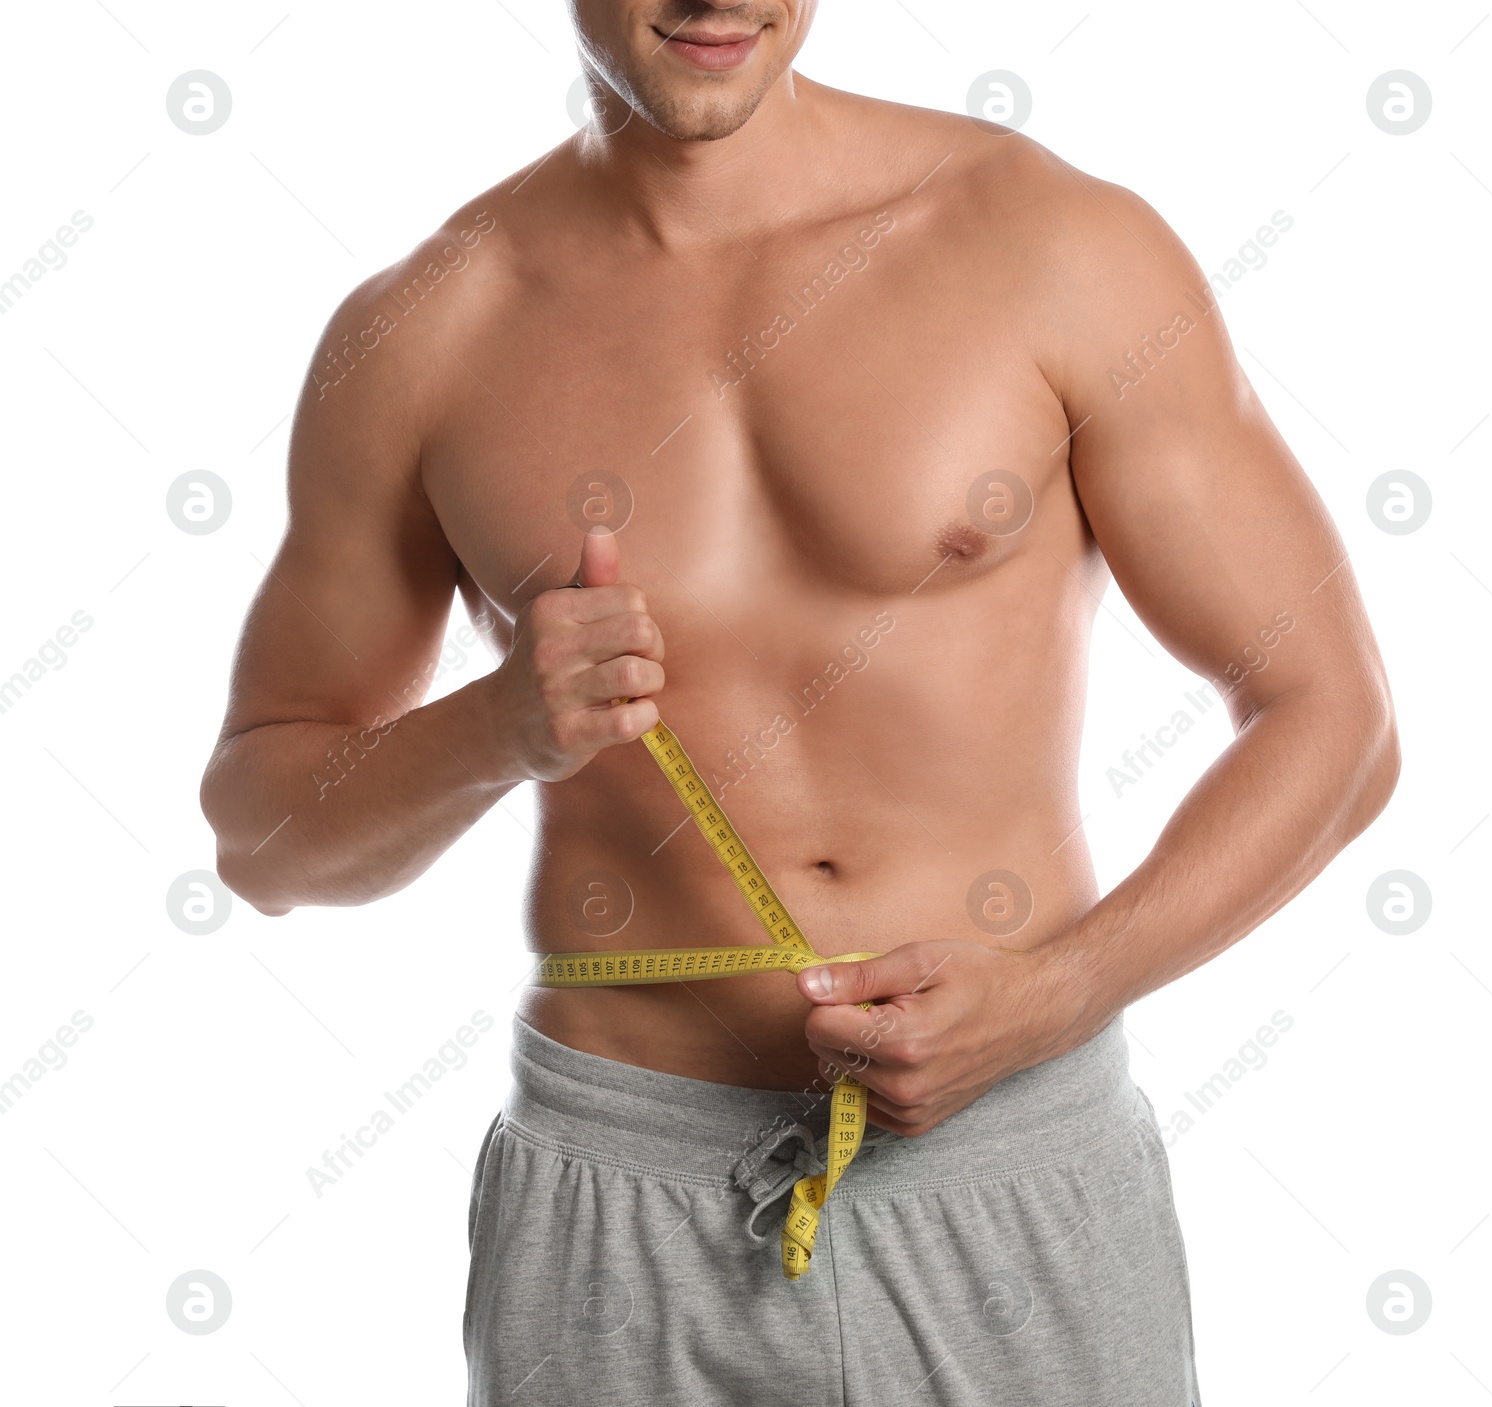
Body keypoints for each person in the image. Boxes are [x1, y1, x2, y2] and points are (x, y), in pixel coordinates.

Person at [200, 2, 1399, 1402]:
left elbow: (1336, 721)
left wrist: (1063, 991)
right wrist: (493, 729)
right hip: (622, 1196)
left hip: (1008, 1164)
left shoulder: (1052, 246)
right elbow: (266, 844)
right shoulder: (424, 335)